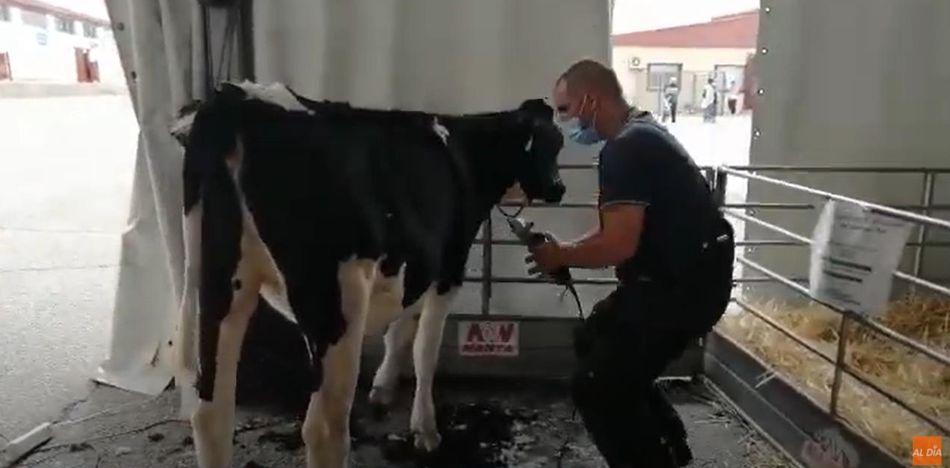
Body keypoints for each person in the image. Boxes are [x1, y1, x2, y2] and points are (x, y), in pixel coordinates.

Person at [527, 59, 735, 467]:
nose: (563, 121)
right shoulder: (644, 131)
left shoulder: (627, 149)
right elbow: (620, 236)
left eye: (565, 109)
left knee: (597, 385)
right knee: (594, 339)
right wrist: (564, 252)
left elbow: (618, 245)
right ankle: (670, 446)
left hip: (680, 290)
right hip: (683, 278)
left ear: (590, 100)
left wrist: (562, 254)